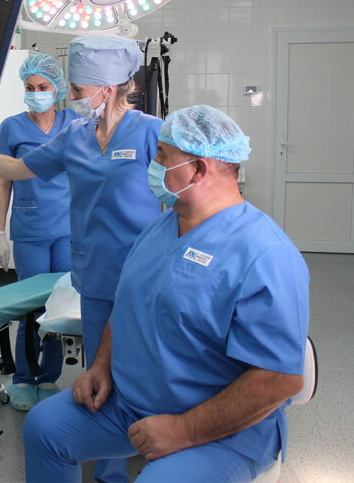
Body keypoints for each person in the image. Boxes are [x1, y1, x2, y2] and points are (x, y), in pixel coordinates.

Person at [0, 35, 162, 483]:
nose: (72, 97)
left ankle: (154, 446)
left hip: (143, 277)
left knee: (142, 372)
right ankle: (108, 471)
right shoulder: (76, 136)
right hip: (95, 277)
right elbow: (14, 169)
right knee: (101, 375)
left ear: (107, 88)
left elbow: (182, 195)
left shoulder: (151, 132)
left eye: (77, 89)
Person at [22, 105, 310, 483]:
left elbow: (280, 379)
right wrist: (101, 366)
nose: (152, 165)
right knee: (43, 429)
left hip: (221, 433)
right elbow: (126, 306)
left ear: (198, 169)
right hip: (129, 403)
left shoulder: (265, 254)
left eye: (162, 156)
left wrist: (183, 430)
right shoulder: (159, 228)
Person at [0, 53, 78, 411]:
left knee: (59, 306)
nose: (37, 93)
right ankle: (24, 377)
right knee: (30, 308)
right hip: (30, 230)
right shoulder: (12, 127)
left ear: (57, 89)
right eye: (30, 87)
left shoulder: (74, 122)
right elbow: (4, 182)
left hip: (68, 230)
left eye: (43, 86)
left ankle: (49, 377)